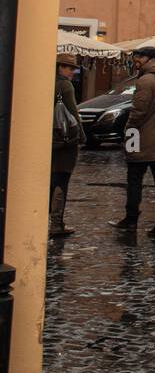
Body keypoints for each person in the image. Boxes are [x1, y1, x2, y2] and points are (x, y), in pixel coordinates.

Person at [113, 46, 155, 237]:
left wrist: (128, 134)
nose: (135, 60)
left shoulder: (146, 80)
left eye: (139, 57)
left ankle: (131, 220)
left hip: (139, 138)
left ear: (150, 59)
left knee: (134, 180)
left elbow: (137, 113)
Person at [51, 53, 82, 238]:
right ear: (60, 67)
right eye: (69, 67)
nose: (72, 71)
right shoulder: (65, 85)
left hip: (51, 138)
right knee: (62, 180)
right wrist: (82, 137)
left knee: (51, 179)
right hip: (65, 140)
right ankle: (57, 222)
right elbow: (73, 114)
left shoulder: (46, 82)